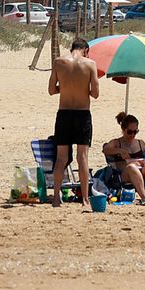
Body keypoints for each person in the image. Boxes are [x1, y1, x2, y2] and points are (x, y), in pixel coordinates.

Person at [48, 38, 98, 206]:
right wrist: (82, 88)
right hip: (82, 114)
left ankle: (55, 198)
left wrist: (66, 87)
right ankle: (84, 199)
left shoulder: (58, 62)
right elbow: (96, 93)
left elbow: (51, 90)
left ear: (72, 49)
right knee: (82, 157)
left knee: (61, 158)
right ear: (86, 50)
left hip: (64, 113)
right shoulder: (90, 64)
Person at [103, 112, 145, 204]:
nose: (132, 135)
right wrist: (119, 151)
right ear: (123, 129)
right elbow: (105, 150)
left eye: (135, 132)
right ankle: (144, 198)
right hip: (124, 174)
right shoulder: (117, 142)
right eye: (130, 132)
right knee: (131, 167)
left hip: (141, 172)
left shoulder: (140, 143)